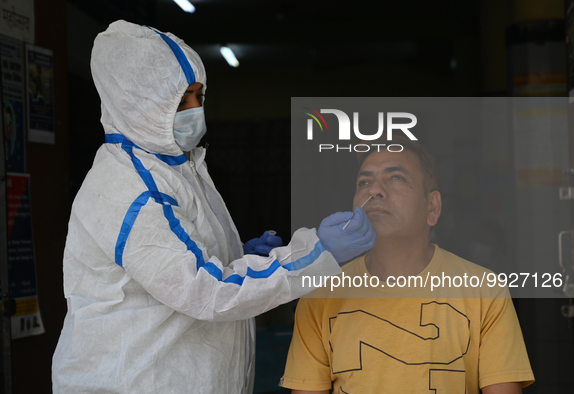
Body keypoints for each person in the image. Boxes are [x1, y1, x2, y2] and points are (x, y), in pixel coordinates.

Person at [52, 20, 375, 394]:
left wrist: (234, 254)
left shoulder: (175, 165)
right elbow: (206, 290)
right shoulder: (130, 189)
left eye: (198, 96)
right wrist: (317, 253)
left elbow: (178, 261)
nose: (194, 110)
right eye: (180, 100)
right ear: (137, 103)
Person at [281, 136, 535, 393]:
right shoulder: (319, 296)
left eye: (396, 177)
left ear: (432, 207)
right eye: (364, 182)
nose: (374, 190)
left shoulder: (484, 290)